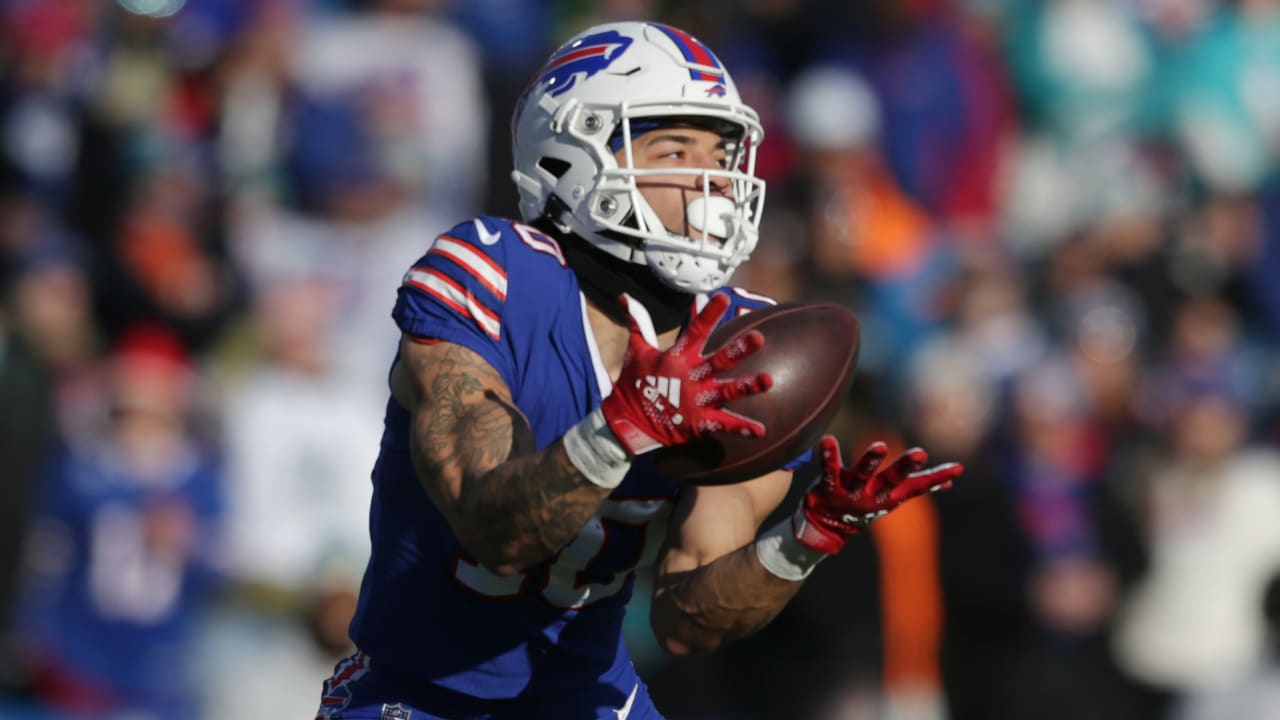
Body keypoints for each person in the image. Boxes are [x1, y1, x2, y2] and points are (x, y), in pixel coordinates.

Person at [315, 21, 964, 720]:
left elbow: (688, 620)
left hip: (590, 697)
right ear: (571, 156)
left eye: (721, 154)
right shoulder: (490, 275)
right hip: (423, 697)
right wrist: (623, 427)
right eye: (675, 150)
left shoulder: (738, 341)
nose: (711, 182)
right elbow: (494, 531)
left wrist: (806, 537)